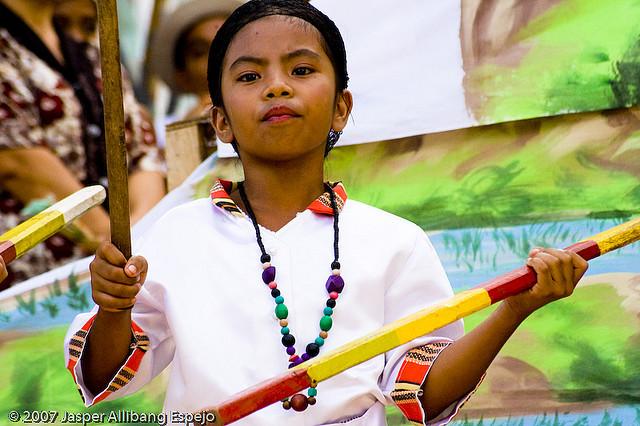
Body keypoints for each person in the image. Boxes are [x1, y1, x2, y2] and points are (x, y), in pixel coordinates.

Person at [64, 1, 588, 424]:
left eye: (301, 69)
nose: (277, 86)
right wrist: (114, 308)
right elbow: (108, 376)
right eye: (249, 76)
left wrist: (514, 310)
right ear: (220, 122)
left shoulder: (394, 242)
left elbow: (424, 394)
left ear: (341, 106)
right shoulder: (173, 235)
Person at [0, 0, 166, 288]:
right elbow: (19, 163)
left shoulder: (88, 49)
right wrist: (116, 247)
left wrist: (138, 235)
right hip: (33, 282)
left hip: (112, 274)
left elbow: (143, 153)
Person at [150, 0, 242, 120]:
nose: (218, 57)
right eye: (200, 52)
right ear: (182, 76)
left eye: (228, 45)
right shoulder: (163, 134)